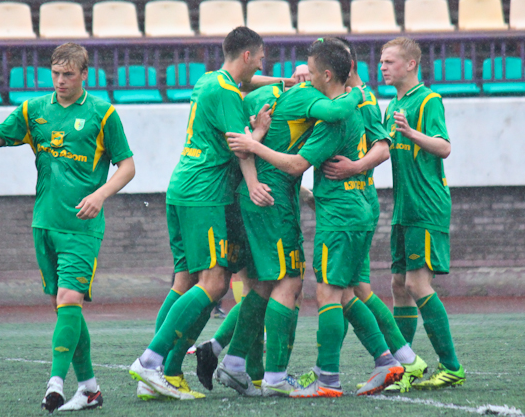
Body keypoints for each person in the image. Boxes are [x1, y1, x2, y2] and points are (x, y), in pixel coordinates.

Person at [0, 43, 135, 412]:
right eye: (56, 74)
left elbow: (127, 166)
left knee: (69, 300)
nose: (60, 81)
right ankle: (90, 389)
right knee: (65, 308)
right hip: (44, 224)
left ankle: (55, 384)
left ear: (84, 75)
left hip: (82, 227)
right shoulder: (34, 110)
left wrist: (100, 195)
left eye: (68, 75)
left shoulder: (103, 114)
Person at [227, 39, 404, 398]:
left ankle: (326, 379)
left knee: (322, 292)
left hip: (338, 214)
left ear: (326, 74)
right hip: (356, 208)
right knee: (345, 292)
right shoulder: (352, 103)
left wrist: (255, 144)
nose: (304, 78)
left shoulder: (332, 117)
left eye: (309, 71)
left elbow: (296, 164)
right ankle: (390, 359)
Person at [128, 27, 273, 401]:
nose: (262, 65)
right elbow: (241, 147)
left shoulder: (208, 80)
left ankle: (166, 374)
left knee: (184, 283)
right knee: (213, 284)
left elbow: (248, 82)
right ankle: (151, 362)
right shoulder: (226, 93)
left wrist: (285, 81)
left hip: (182, 188)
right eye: (260, 58)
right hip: (204, 193)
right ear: (246, 55)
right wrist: (258, 133)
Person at [210, 54, 367, 398]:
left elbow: (243, 96)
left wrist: (255, 137)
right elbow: (335, 115)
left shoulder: (274, 94)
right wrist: (360, 91)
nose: (305, 77)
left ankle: (233, 361)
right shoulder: (312, 97)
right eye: (304, 72)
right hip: (270, 197)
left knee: (264, 283)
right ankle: (274, 376)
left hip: (259, 193)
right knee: (291, 280)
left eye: (308, 71)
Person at [321, 38, 428, 393]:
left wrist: (353, 168)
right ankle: (402, 358)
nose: (382, 67)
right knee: (356, 290)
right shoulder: (350, 98)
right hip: (356, 205)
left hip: (351, 206)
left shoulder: (362, 100)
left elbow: (382, 149)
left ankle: (334, 374)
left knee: (337, 291)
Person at [377, 37, 465, 389]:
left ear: (411, 64)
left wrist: (412, 133)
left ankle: (451, 366)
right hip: (404, 207)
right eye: (381, 61)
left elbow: (444, 147)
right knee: (399, 285)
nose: (383, 67)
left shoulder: (428, 100)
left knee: (416, 283)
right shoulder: (391, 106)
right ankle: (406, 366)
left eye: (389, 61)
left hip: (426, 205)